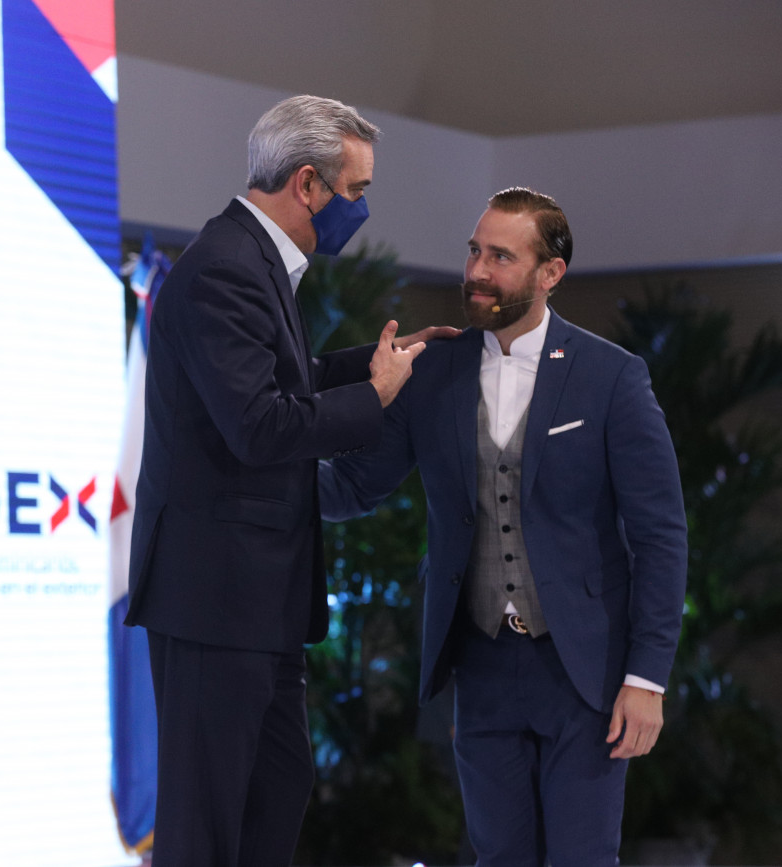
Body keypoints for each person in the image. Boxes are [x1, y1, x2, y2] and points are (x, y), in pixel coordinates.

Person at [123, 95, 456, 867]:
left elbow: (290, 377)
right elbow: (261, 424)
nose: (360, 208)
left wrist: (387, 361)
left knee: (276, 785)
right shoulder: (225, 268)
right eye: (355, 189)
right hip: (215, 598)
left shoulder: (255, 261)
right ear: (308, 183)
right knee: (207, 822)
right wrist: (374, 397)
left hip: (257, 602)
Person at [320, 187, 687, 865]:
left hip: (585, 670)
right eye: (474, 252)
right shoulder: (434, 373)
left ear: (551, 272)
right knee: (498, 857)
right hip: (481, 664)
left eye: (500, 257)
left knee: (582, 859)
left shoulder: (611, 376)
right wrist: (255, 470)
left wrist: (647, 678)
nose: (478, 271)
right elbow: (352, 487)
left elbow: (660, 534)